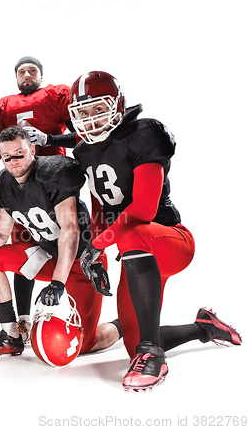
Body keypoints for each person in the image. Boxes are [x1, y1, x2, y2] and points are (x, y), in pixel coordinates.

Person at [67, 71, 242, 391]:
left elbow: (143, 211)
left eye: (98, 109)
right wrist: (95, 250)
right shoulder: (83, 152)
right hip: (136, 255)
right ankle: (203, 327)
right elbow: (99, 209)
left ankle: (153, 355)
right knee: (135, 340)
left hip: (169, 240)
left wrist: (99, 244)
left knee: (134, 234)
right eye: (84, 113)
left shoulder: (143, 132)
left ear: (118, 106)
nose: (91, 120)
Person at [0, 126, 104, 359]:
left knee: (84, 344)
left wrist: (58, 283)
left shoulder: (55, 172)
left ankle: (119, 326)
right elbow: (0, 235)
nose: (13, 161)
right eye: (6, 156)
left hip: (82, 262)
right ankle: (12, 335)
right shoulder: (1, 184)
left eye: (19, 153)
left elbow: (70, 231)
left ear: (32, 149)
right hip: (48, 256)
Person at [0, 56, 72, 342]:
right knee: (25, 252)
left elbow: (81, 135)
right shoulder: (3, 106)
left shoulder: (54, 95)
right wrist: (12, 146)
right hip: (21, 189)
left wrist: (48, 140)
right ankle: (22, 323)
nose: (26, 74)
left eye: (32, 70)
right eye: (21, 71)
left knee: (68, 242)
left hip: (55, 185)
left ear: (42, 76)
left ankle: (65, 307)